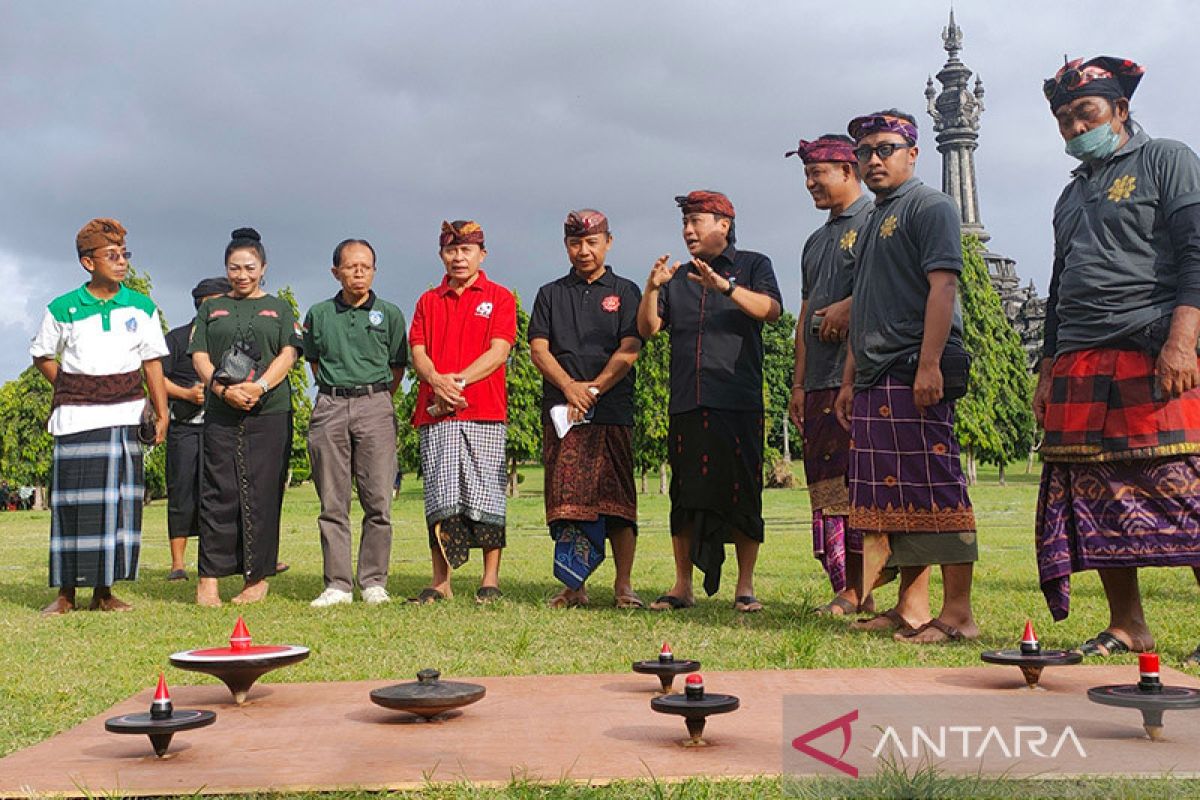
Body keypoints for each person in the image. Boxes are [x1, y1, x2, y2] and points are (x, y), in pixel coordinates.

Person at [1034, 57, 1200, 664]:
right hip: (1079, 357)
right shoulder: (1070, 193)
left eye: (1086, 114)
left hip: (1152, 348)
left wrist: (1184, 339)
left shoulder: (1167, 159)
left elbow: (1196, 252)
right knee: (1098, 494)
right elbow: (1059, 284)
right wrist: (1048, 367)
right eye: (1064, 119)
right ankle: (1128, 624)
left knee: (1187, 487)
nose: (1076, 128)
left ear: (1120, 111)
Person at [833, 110, 978, 645]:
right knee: (895, 498)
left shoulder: (931, 205)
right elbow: (865, 306)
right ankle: (911, 607)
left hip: (916, 366)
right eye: (865, 150)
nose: (874, 158)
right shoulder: (873, 218)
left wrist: (929, 363)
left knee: (937, 489)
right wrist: (850, 377)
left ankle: (958, 612)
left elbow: (942, 288)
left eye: (886, 148)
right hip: (876, 370)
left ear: (913, 154)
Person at [637, 191, 783, 612]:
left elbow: (771, 310)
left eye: (696, 221)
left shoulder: (753, 264)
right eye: (685, 223)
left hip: (737, 399)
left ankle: (745, 587)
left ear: (723, 223)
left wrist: (726, 287)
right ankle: (682, 586)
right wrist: (651, 289)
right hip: (688, 398)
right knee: (685, 495)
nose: (687, 230)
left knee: (742, 492)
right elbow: (648, 330)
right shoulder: (677, 277)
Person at [30, 217, 169, 615]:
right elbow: (42, 355)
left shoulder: (141, 307)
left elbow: (152, 363)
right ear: (88, 263)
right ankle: (66, 595)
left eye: (125, 254)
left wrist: (162, 414)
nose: (122, 261)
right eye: (112, 255)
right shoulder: (63, 308)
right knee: (72, 506)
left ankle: (104, 594)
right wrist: (74, 387)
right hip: (74, 419)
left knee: (117, 508)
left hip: (124, 418)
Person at [529, 209, 644, 609]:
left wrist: (593, 389)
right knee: (567, 506)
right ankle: (573, 587)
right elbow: (538, 349)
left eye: (592, 242)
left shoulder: (627, 291)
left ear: (608, 242)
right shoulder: (550, 293)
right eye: (575, 243)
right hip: (563, 414)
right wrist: (569, 388)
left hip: (611, 410)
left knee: (618, 504)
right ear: (566, 246)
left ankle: (623, 585)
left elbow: (630, 348)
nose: (583, 250)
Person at [784, 134, 879, 615]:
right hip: (817, 382)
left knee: (859, 485)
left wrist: (849, 308)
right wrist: (798, 384)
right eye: (806, 175)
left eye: (817, 173)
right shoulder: (816, 240)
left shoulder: (874, 224)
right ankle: (846, 585)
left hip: (859, 379)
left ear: (847, 171)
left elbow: (884, 293)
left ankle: (861, 589)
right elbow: (804, 314)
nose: (809, 183)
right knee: (826, 489)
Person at [189, 227, 301, 607]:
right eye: (234, 267)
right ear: (226, 268)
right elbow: (200, 356)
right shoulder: (211, 308)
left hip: (270, 411)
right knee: (218, 493)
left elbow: (289, 353)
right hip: (221, 411)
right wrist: (222, 390)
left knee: (264, 494)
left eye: (249, 267)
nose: (241, 274)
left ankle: (257, 579)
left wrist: (260, 388)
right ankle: (209, 579)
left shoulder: (280, 307)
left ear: (263, 268)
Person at [408, 220, 516, 604]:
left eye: (466, 250)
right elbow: (417, 351)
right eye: (451, 250)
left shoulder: (500, 297)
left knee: (487, 494)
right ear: (442, 254)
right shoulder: (427, 300)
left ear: (481, 254)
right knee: (440, 495)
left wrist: (458, 383)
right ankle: (440, 581)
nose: (458, 257)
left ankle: (490, 579)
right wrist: (437, 381)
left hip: (483, 410)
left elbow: (499, 351)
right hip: (435, 413)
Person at [304, 238, 407, 607]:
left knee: (378, 499)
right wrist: (339, 390)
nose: (359, 272)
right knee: (333, 501)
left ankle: (374, 581)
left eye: (366, 265)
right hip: (330, 404)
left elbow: (398, 365)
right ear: (336, 272)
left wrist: (375, 397)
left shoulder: (390, 314)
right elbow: (314, 361)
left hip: (376, 404)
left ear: (374, 270)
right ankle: (338, 584)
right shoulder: (318, 314)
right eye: (351, 266)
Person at [161, 277, 231, 581]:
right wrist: (186, 394)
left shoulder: (229, 338)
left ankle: (222, 560)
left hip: (223, 427)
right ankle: (178, 564)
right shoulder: (176, 339)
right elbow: (154, 379)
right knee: (181, 493)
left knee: (223, 493)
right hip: (184, 428)